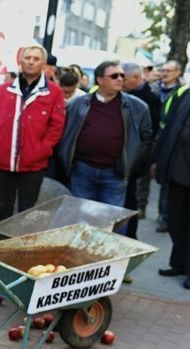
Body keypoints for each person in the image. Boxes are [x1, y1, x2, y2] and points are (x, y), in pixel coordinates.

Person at [57, 61, 152, 233]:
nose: (120, 79)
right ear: (100, 80)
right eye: (114, 75)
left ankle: (111, 259)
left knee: (113, 222)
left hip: (115, 174)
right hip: (83, 171)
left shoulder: (137, 106)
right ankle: (81, 258)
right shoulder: (79, 104)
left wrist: (129, 164)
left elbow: (146, 140)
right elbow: (66, 133)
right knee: (81, 220)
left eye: (122, 75)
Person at [0, 44, 65, 224]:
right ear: (20, 62)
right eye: (27, 58)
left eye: (36, 59)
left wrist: (41, 150)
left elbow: (56, 127)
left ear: (43, 64)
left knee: (26, 212)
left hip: (33, 164)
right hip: (3, 161)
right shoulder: (5, 89)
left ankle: (21, 249)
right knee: (3, 209)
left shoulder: (53, 92)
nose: (30, 62)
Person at [153, 83, 190, 289]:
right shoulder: (184, 94)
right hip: (177, 170)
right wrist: (158, 160)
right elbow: (169, 130)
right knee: (177, 221)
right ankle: (178, 264)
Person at [122, 61, 162, 223]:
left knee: (132, 195)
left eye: (124, 77)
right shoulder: (122, 94)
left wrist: (140, 157)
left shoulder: (150, 99)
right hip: (121, 156)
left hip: (136, 157)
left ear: (136, 77)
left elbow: (148, 133)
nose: (121, 81)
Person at [155, 60, 185, 232]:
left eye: (169, 70)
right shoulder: (153, 89)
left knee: (167, 183)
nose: (164, 73)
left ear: (177, 72)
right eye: (163, 70)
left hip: (169, 140)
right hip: (157, 139)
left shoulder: (181, 93)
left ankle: (165, 216)